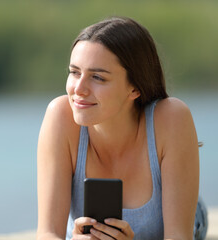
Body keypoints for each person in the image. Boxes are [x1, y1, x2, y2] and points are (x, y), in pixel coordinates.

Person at [37, 16, 208, 240]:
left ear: (135, 88)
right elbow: (47, 233)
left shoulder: (172, 117)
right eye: (75, 72)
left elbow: (179, 236)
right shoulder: (60, 116)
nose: (79, 89)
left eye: (97, 77)